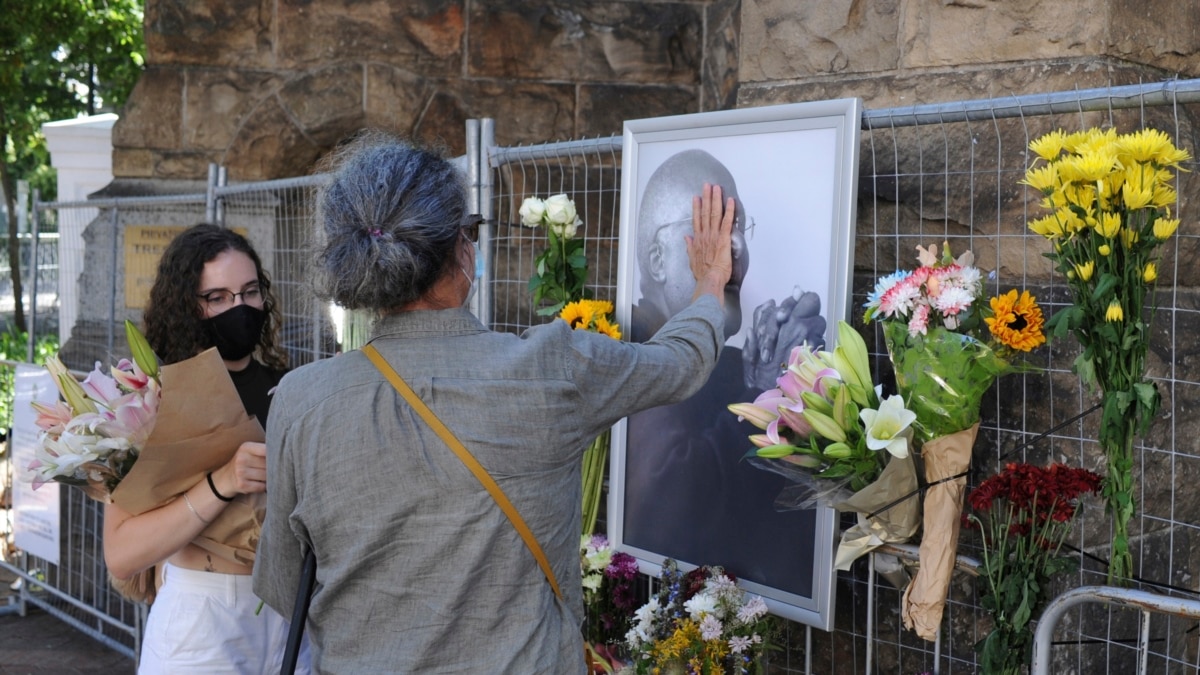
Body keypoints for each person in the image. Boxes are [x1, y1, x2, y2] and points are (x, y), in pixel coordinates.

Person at [252, 131, 734, 674]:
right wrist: (710, 286)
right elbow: (680, 363)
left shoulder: (301, 399)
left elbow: (283, 582)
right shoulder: (552, 369)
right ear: (461, 249)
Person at [103, 223, 310, 674]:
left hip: (291, 618)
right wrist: (223, 483)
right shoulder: (156, 401)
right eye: (218, 297)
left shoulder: (293, 390)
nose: (240, 308)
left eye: (250, 292)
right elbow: (121, 554)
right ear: (187, 307)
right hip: (202, 621)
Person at [624, 148, 827, 596]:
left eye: (737, 225)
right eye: (712, 227)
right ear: (657, 259)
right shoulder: (635, 350)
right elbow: (667, 511)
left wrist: (785, 384)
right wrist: (760, 398)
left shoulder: (725, 362)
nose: (734, 245)